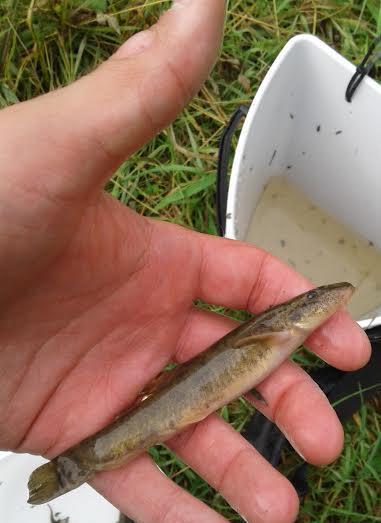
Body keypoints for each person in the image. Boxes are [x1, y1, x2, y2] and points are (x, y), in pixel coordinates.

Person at [0, 1, 370, 522]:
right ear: (293, 314)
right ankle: (75, 467)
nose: (321, 300)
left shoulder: (282, 332)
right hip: (149, 411)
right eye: (311, 299)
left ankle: (80, 464)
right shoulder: (279, 328)